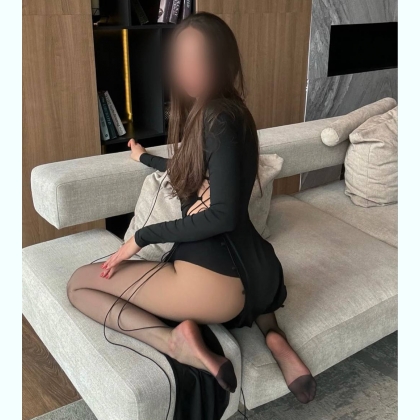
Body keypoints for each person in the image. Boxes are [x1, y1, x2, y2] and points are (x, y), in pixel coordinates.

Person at [67, 12, 316, 406]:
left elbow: (222, 216)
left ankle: (174, 341)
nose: (188, 68)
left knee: (79, 284)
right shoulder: (230, 113)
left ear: (223, 61)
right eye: (181, 57)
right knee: (250, 300)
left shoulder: (216, 118)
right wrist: (144, 158)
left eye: (200, 57)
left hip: (217, 284)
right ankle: (274, 335)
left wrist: (140, 238)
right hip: (263, 273)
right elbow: (190, 169)